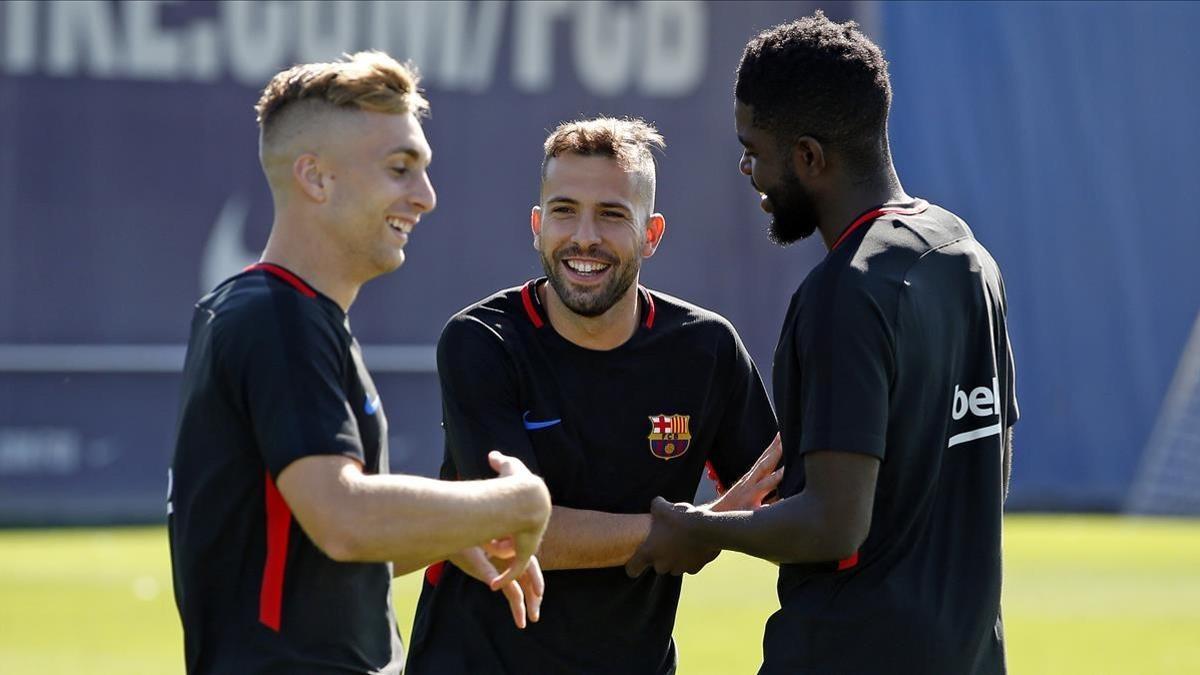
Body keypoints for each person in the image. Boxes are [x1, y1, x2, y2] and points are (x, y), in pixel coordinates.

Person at [625, 13, 1020, 675]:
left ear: (808, 157)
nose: (747, 168)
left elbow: (833, 523)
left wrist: (698, 526)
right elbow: (990, 464)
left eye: (755, 149)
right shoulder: (966, 254)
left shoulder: (848, 290)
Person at [167, 51, 552, 674]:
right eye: (401, 169)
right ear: (316, 179)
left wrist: (450, 531)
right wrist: (518, 502)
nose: (425, 197)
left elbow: (311, 550)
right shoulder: (278, 316)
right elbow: (343, 518)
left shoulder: (279, 311)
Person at [405, 117, 780, 674]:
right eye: (563, 211)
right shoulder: (482, 341)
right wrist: (686, 529)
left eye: (611, 214)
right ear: (537, 226)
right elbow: (516, 535)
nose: (584, 237)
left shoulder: (705, 350)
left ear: (651, 235)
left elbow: (783, 498)